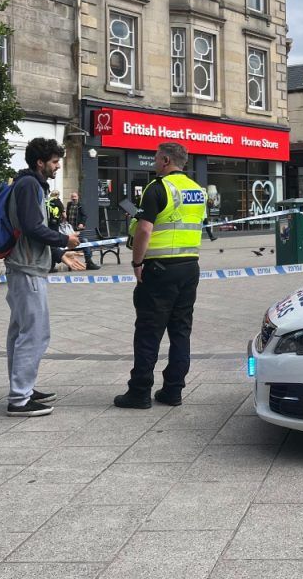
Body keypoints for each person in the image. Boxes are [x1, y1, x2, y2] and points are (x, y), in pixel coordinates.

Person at [115, 142, 207, 409]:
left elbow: (144, 229)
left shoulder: (157, 187)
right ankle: (173, 390)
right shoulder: (197, 190)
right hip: (190, 266)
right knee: (180, 330)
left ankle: (140, 391)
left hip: (159, 269)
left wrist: (136, 262)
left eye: (156, 157)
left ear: (166, 160)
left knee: (148, 331)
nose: (154, 161)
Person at [4, 138, 80, 417]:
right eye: (54, 161)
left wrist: (59, 254)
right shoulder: (29, 186)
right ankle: (19, 399)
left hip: (26, 265)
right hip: (27, 269)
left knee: (21, 332)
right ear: (40, 162)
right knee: (34, 334)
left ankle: (23, 388)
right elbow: (32, 227)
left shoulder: (29, 184)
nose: (58, 166)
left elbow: (30, 230)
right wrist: (65, 240)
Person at [64, 191, 100, 270]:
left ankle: (88, 262)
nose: (74, 199)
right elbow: (66, 215)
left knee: (85, 241)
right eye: (72, 197)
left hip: (76, 229)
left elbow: (84, 216)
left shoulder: (80, 205)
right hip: (69, 230)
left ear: (78, 197)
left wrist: (82, 224)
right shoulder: (69, 204)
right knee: (83, 241)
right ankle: (89, 261)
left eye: (75, 197)